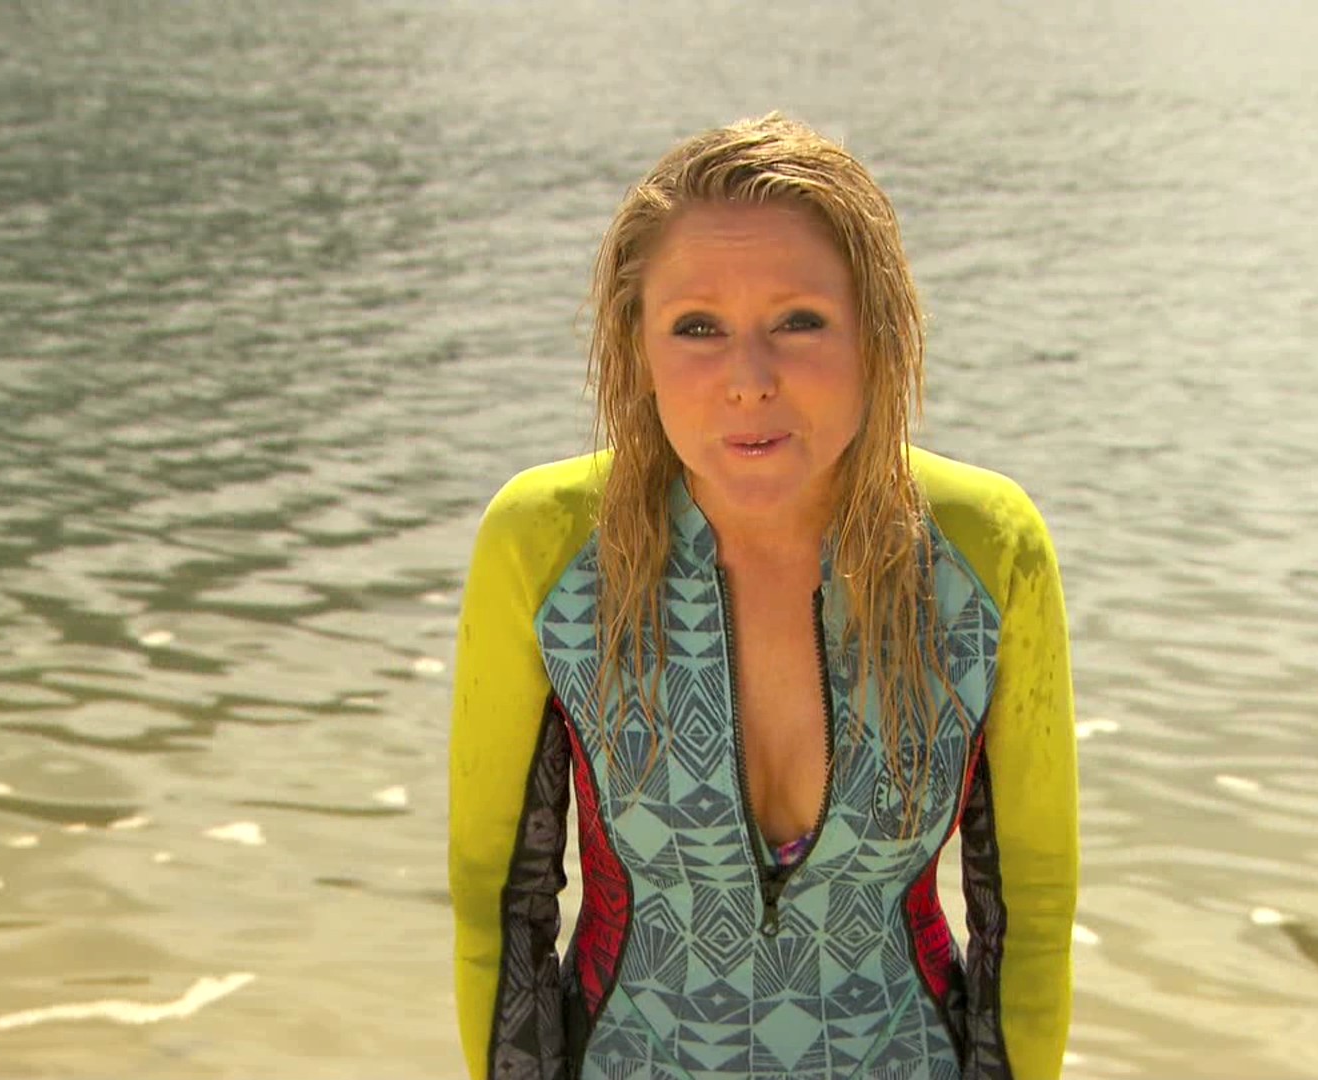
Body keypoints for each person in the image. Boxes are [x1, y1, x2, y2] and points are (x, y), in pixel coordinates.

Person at [449, 111, 1079, 1080]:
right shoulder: (547, 549)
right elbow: (499, 904)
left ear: (875, 332)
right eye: (698, 327)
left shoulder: (986, 553)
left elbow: (1028, 913)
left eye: (799, 321)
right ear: (637, 346)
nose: (749, 380)